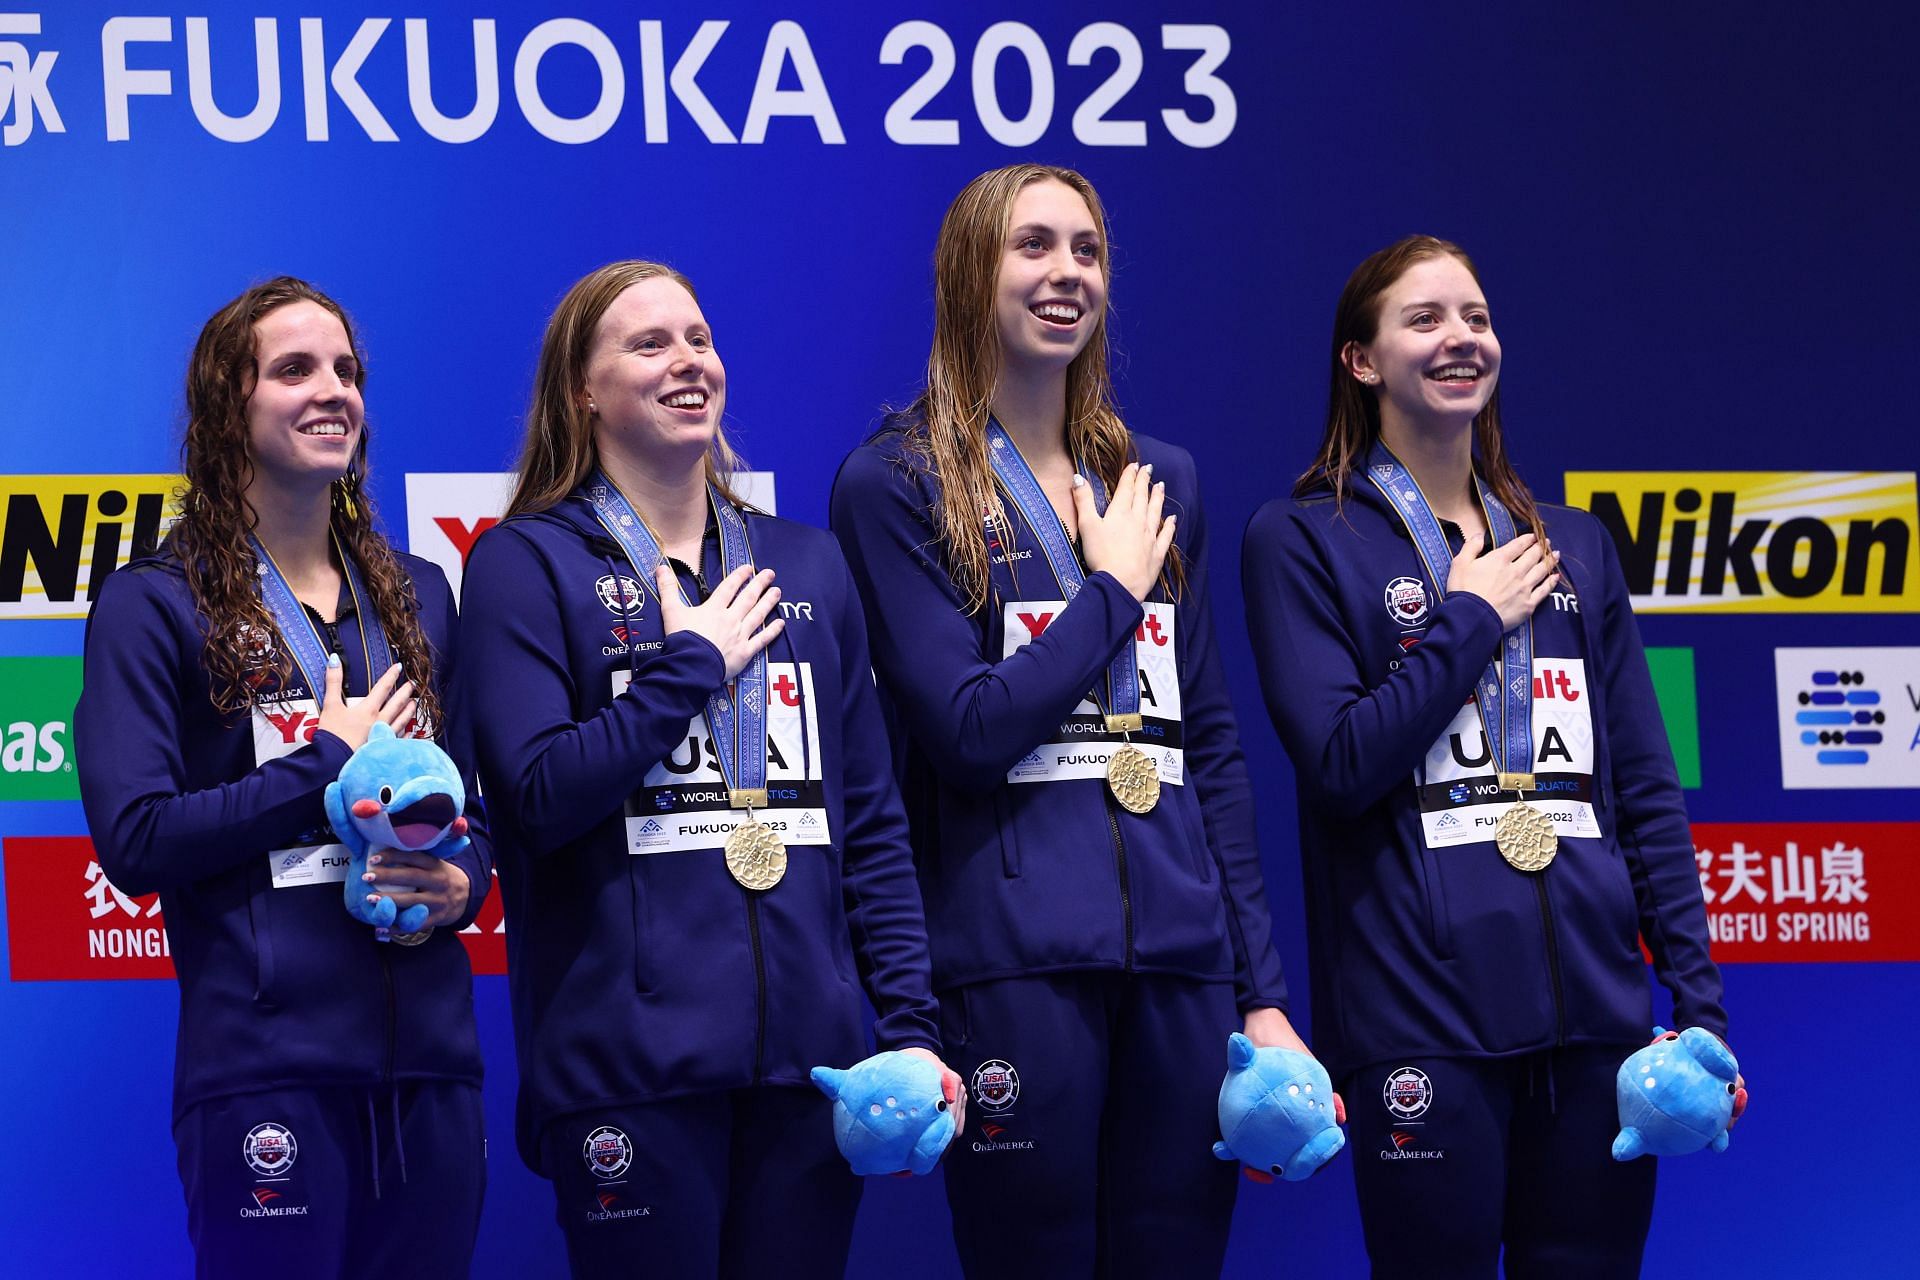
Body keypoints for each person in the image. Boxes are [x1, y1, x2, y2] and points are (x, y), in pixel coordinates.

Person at [831, 164, 1312, 1279]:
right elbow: (965, 728)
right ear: (969, 272)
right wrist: (1109, 595)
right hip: (1011, 965)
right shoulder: (894, 482)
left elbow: (1215, 754)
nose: (1067, 273)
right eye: (1033, 246)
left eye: (1087, 250)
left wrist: (1265, 990)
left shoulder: (1156, 478)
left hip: (1185, 970)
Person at [1241, 235, 1746, 1278]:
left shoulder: (1574, 543)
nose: (1461, 337)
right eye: (1424, 319)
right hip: (1421, 1024)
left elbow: (1643, 790)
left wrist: (1696, 1006)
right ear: (1362, 361)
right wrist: (1468, 619)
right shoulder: (1300, 540)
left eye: (1474, 316)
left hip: (1599, 1024)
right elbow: (1340, 760)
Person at [456, 260, 959, 1278]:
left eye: (699, 338)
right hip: (627, 1074)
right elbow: (536, 798)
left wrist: (906, 1027)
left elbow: (867, 820)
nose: (689, 361)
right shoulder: (524, 562)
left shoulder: (806, 563)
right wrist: (685, 668)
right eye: (650, 344)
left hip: (810, 1073)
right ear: (581, 392)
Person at [75, 277, 491, 1278]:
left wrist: (461, 882)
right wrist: (327, 764)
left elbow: (471, 812)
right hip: (265, 1073)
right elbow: (135, 839)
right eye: (296, 367)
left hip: (431, 1068)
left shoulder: (420, 595)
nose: (334, 389)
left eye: (346, 369)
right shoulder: (155, 605)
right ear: (229, 409)